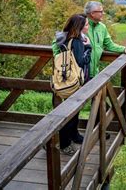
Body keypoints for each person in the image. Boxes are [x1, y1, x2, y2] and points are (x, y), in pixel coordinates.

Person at [53, 14, 91, 155]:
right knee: (70, 114)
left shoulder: (65, 38)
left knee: (68, 112)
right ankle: (63, 144)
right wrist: (88, 48)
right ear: (79, 27)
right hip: (74, 83)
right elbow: (81, 62)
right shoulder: (77, 42)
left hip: (64, 80)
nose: (88, 27)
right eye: (86, 25)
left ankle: (66, 138)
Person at [83, 1, 126, 77]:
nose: (103, 13)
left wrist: (124, 49)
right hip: (81, 73)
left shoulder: (102, 27)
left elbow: (109, 45)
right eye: (100, 11)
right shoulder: (81, 25)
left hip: (95, 73)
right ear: (92, 13)